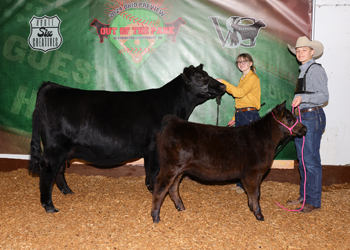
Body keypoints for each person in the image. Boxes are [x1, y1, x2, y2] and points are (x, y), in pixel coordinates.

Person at [286, 36, 329, 213]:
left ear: (312, 52)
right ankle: (305, 196)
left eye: (304, 50)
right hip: (303, 118)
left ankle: (313, 201)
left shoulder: (315, 70)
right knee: (303, 160)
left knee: (310, 161)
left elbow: (323, 96)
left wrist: (304, 98)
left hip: (312, 116)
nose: (300, 53)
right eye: (297, 50)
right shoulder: (304, 70)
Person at [217, 53, 261, 194]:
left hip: (249, 115)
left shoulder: (252, 78)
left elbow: (239, 93)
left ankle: (248, 185)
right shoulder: (243, 78)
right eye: (239, 62)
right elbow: (243, 100)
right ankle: (240, 183)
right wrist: (235, 117)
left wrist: (224, 83)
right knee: (241, 151)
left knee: (248, 152)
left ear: (251, 63)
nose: (241, 64)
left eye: (244, 61)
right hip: (243, 114)